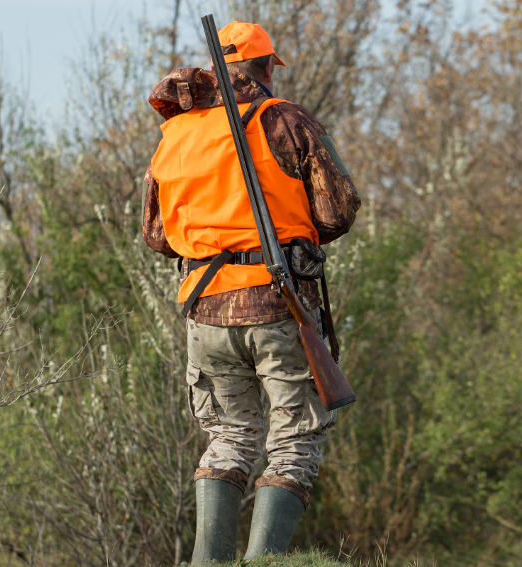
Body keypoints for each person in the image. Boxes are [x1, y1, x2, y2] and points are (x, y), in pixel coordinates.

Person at [142, 21, 361, 564]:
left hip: (204, 311)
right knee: (293, 443)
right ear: (266, 67)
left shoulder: (175, 135)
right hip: (278, 305)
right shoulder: (283, 119)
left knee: (229, 438)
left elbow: (156, 235)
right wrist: (291, 233)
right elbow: (339, 209)